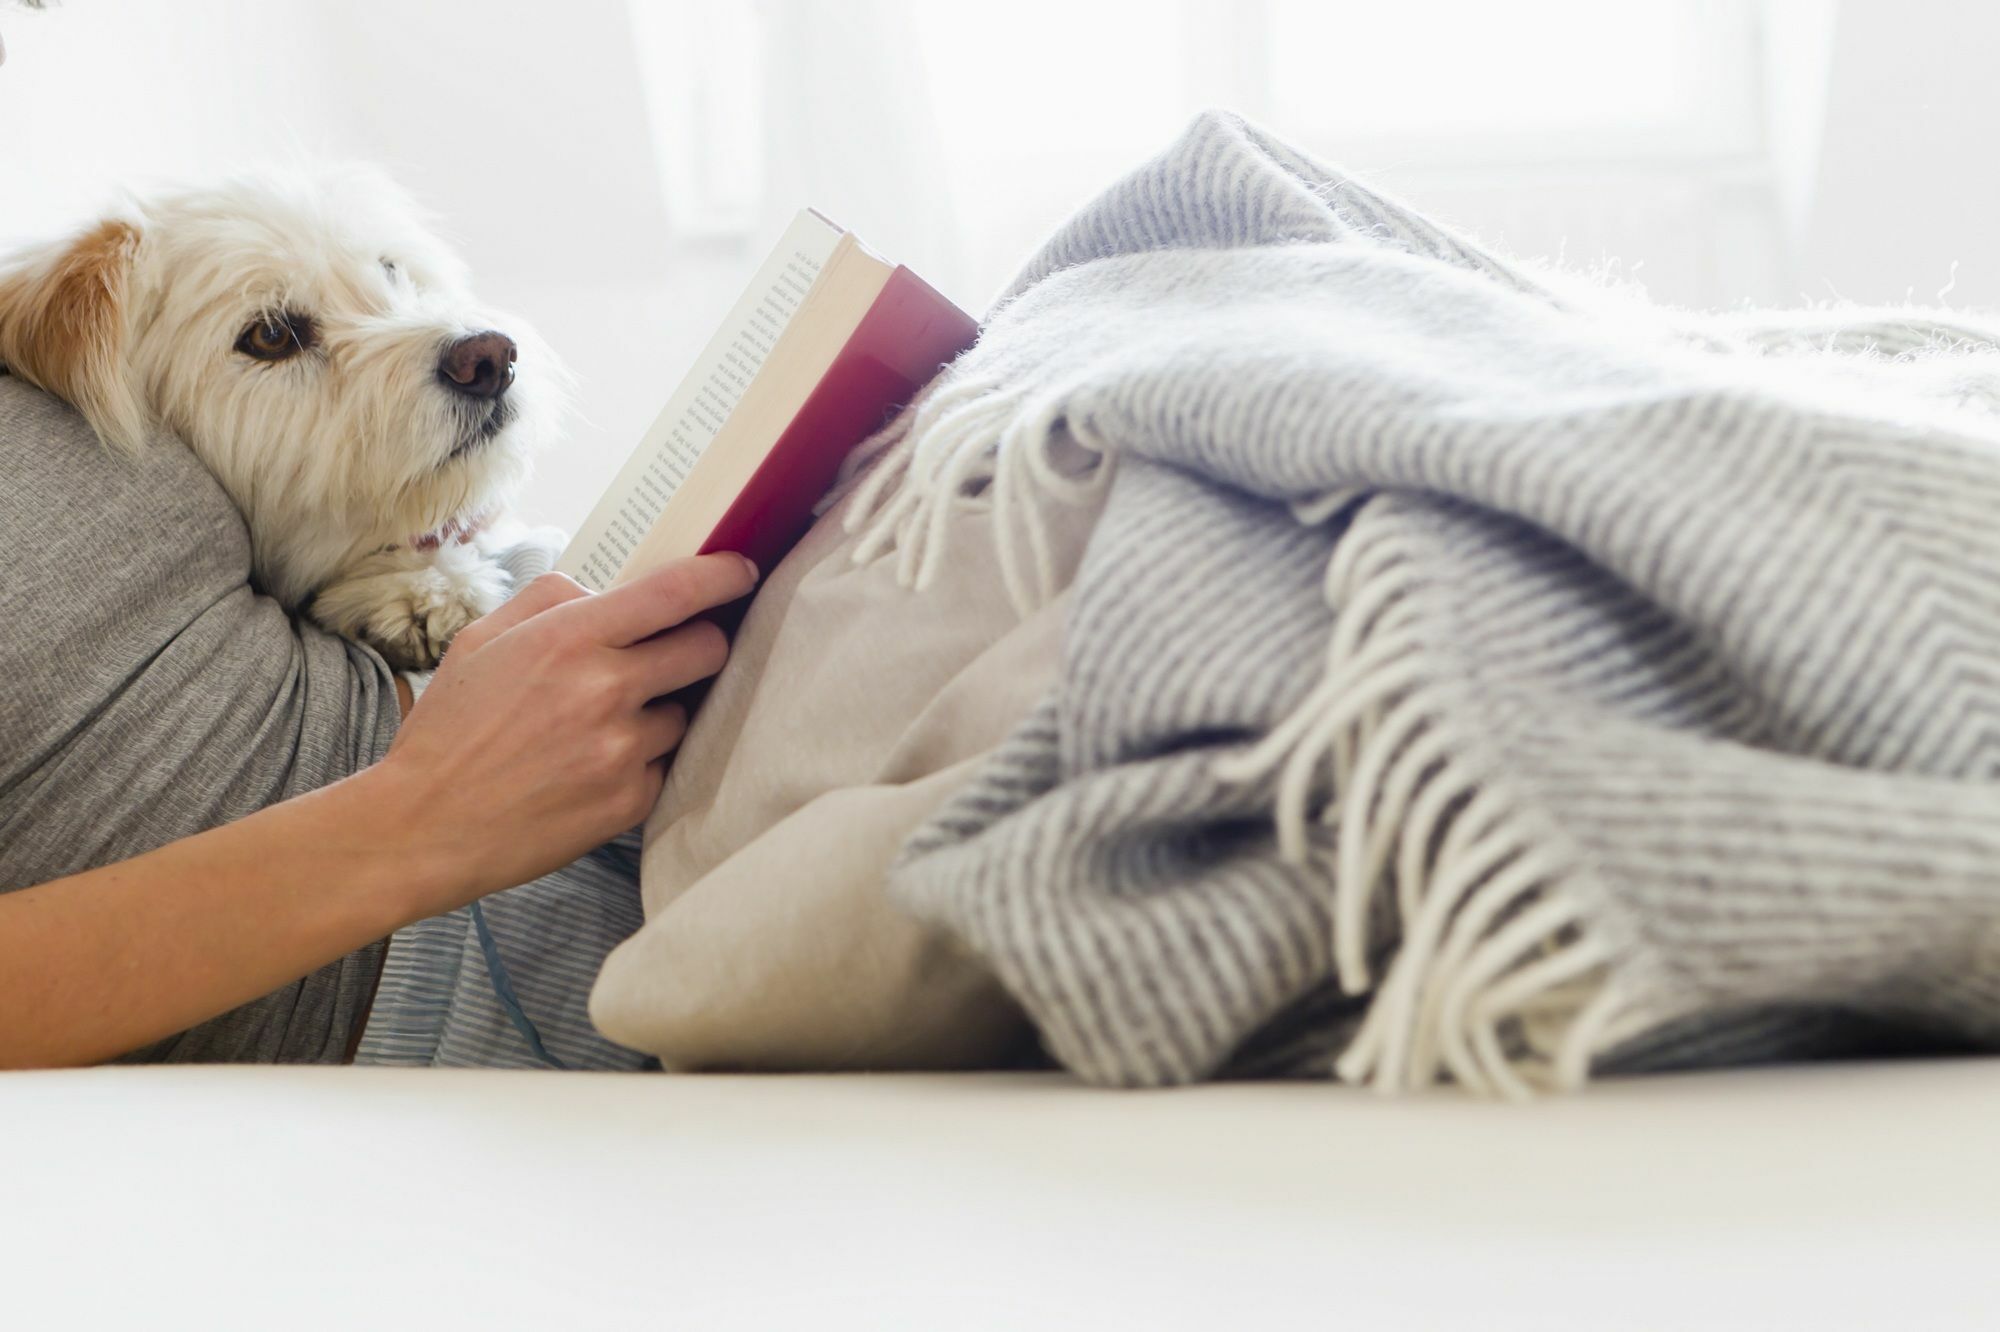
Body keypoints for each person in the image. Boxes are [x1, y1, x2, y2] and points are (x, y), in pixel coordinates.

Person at [0, 5, 753, 1064]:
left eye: (395, 281)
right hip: (470, 938)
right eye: (276, 335)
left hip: (542, 659)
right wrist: (423, 817)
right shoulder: (70, 320)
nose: (452, 344)